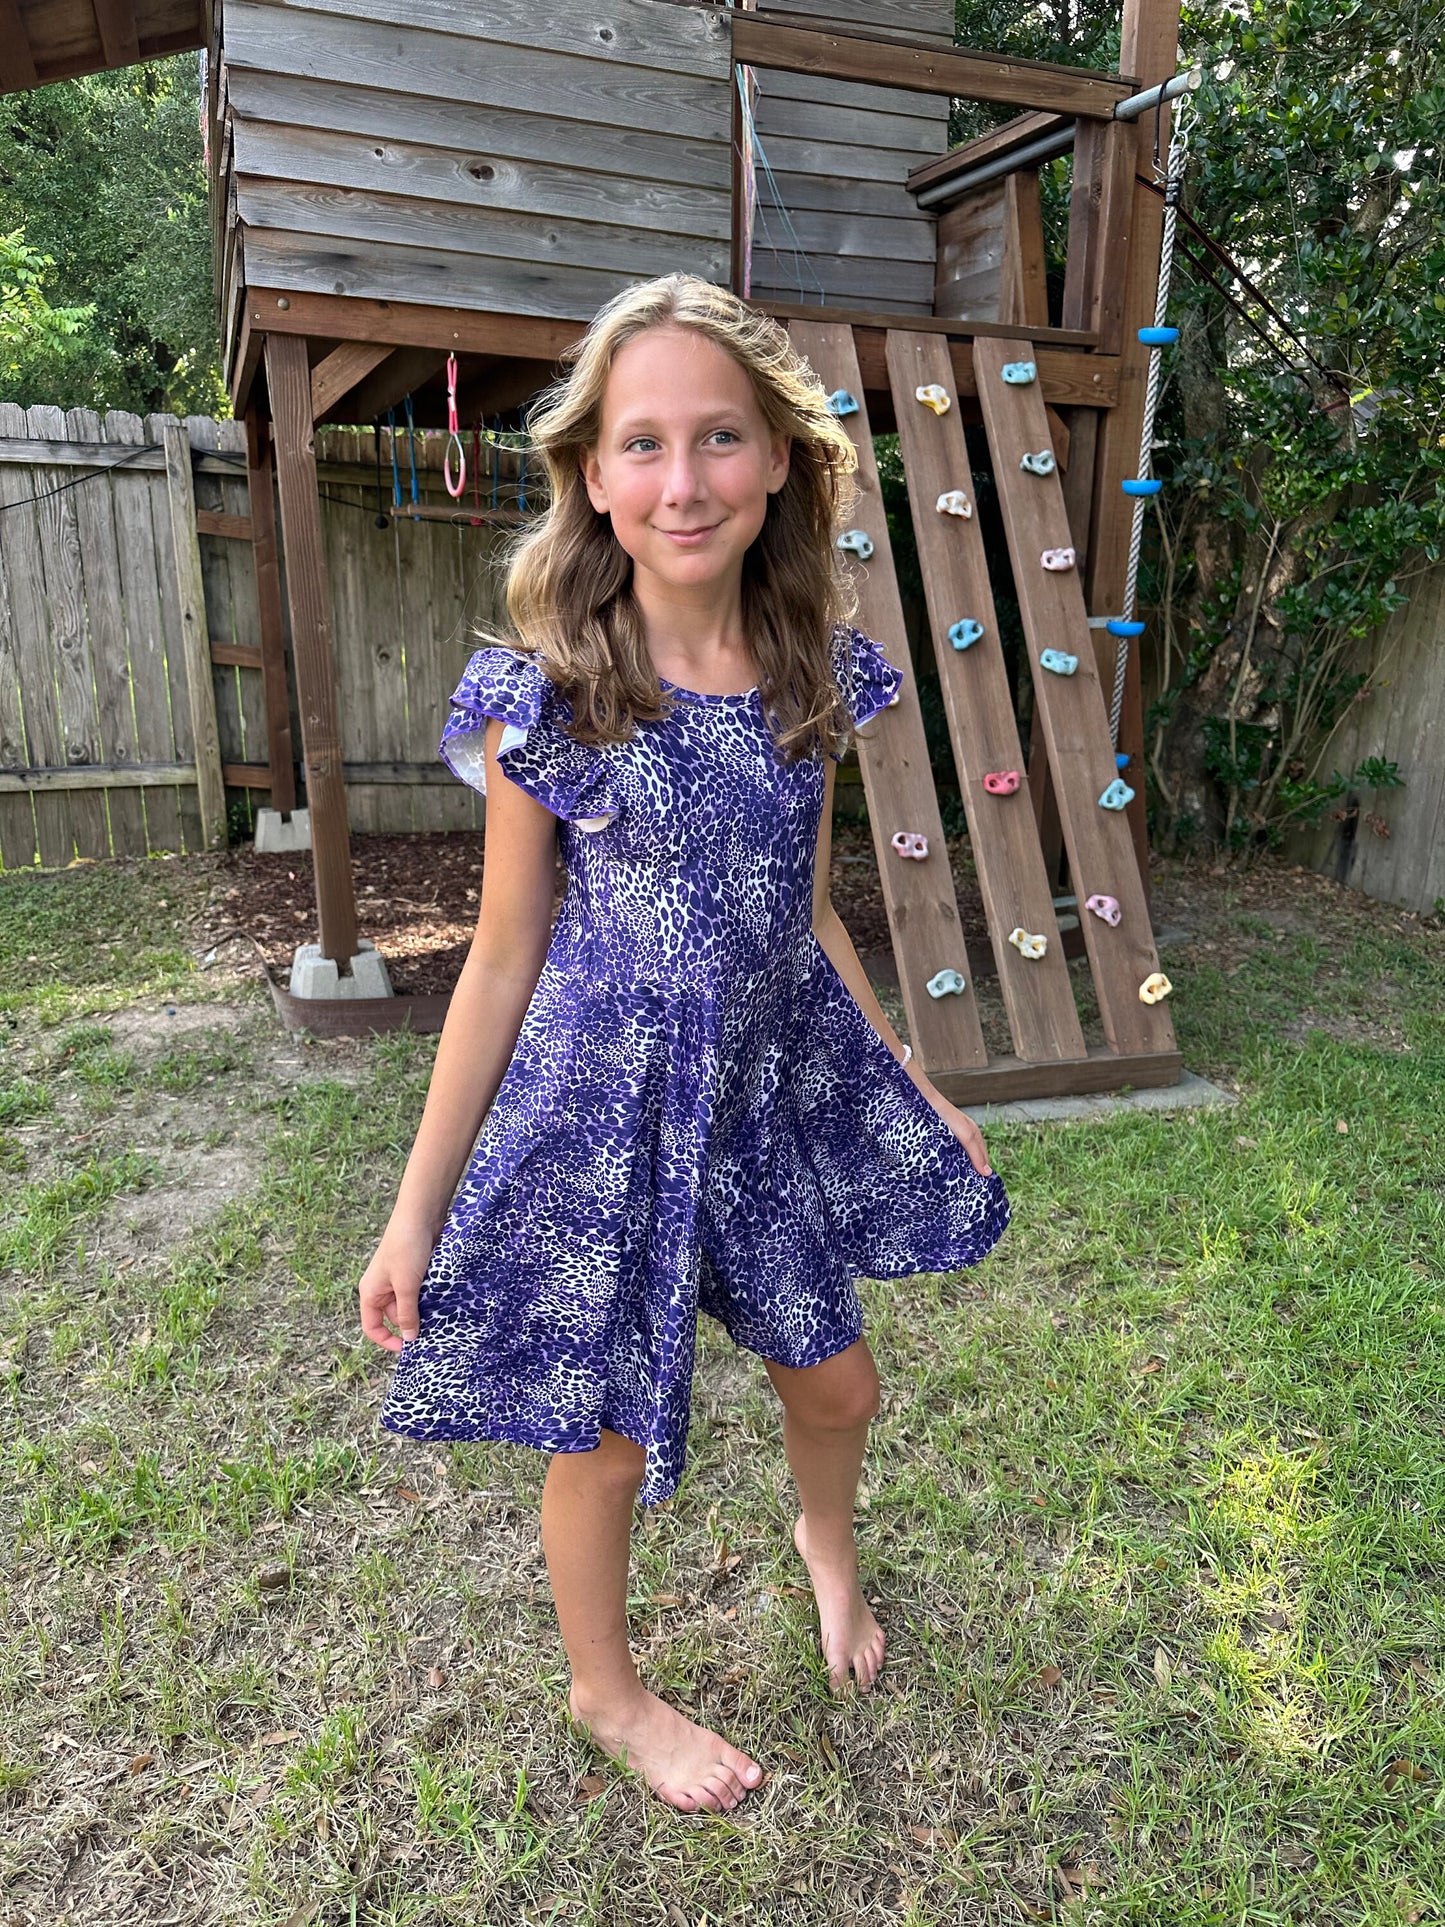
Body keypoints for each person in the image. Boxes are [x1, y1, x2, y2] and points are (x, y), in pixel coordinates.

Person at [358, 273, 1011, 1816]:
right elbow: (502, 958)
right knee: (596, 1438)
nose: (683, 479)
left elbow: (814, 914)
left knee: (837, 1385)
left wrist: (916, 1087)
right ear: (592, 474)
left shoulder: (808, 676)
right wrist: (414, 1207)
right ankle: (608, 1690)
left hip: (762, 1102)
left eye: (719, 438)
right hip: (600, 1117)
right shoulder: (556, 698)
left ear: (781, 459)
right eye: (641, 444)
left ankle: (823, 1542)